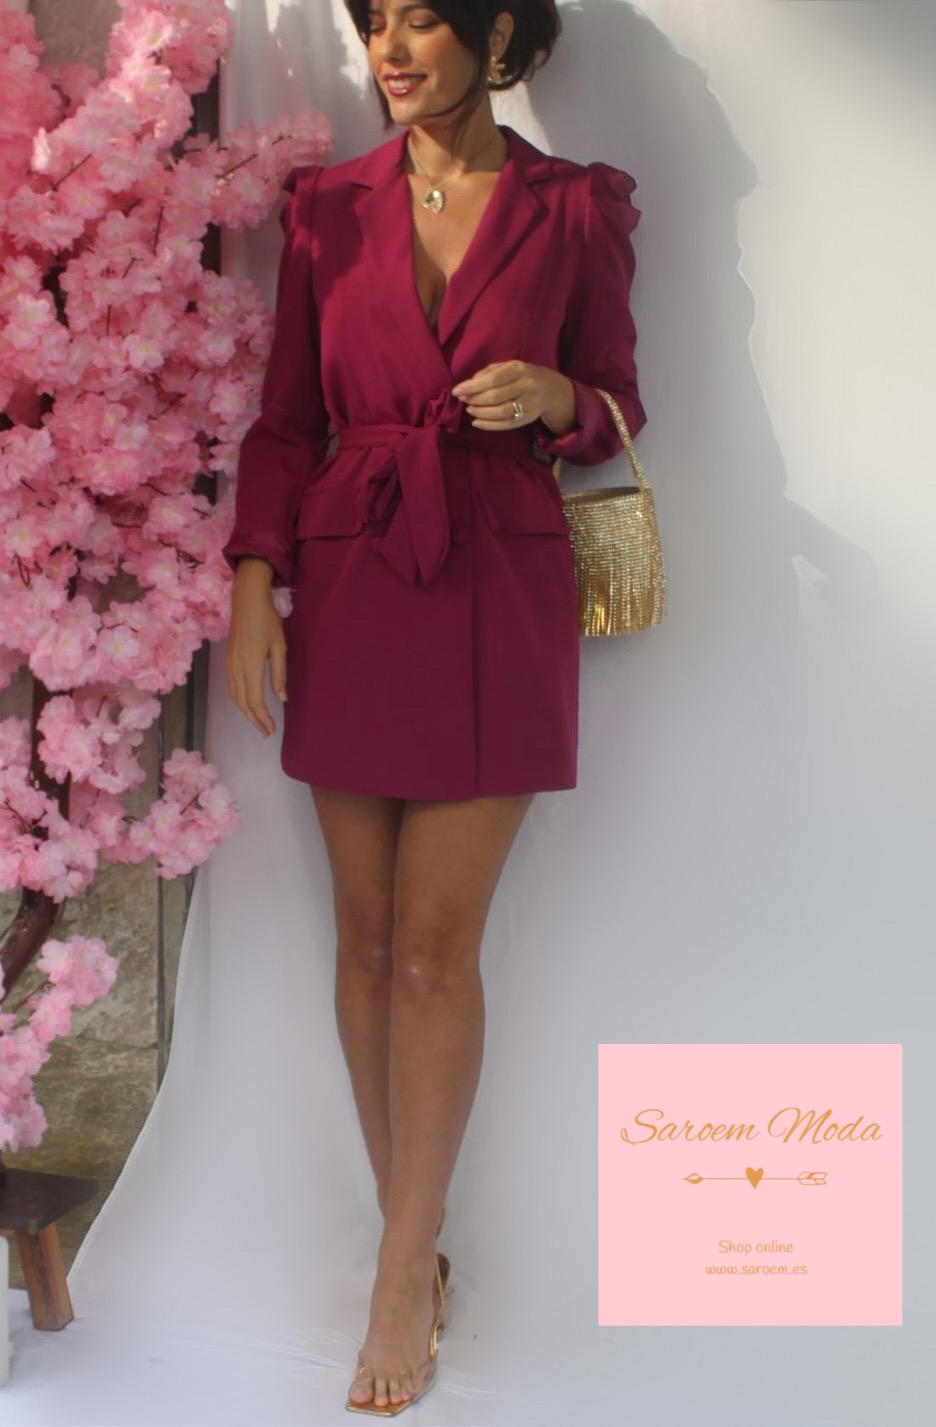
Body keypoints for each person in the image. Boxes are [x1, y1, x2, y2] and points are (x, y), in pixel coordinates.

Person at [221, 0, 645, 1414]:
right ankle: (416, 1242)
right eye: (375, 26)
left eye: (420, 23)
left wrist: (562, 393)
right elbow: (287, 418)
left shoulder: (575, 207)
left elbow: (622, 405)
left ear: (497, 29)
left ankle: (402, 1270)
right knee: (362, 938)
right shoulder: (326, 207)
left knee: (433, 947)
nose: (391, 52)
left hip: (499, 585)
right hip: (353, 572)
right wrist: (254, 585)